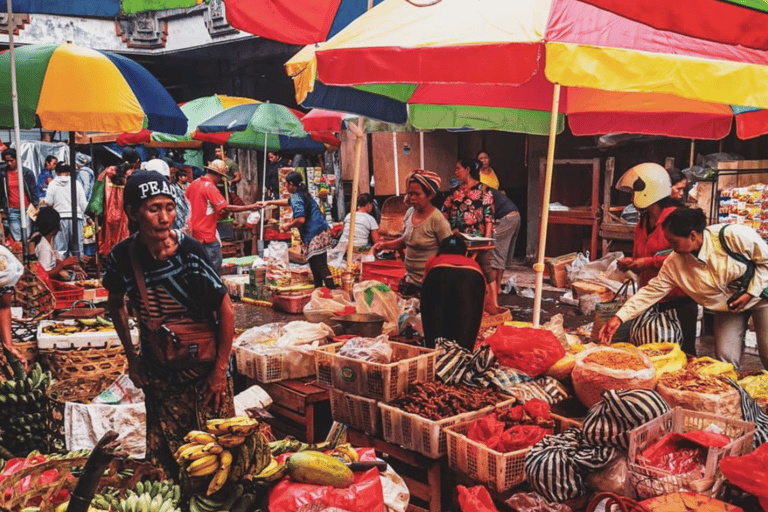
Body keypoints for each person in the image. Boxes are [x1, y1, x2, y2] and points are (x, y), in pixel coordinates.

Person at [103, 171, 235, 479]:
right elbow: (116, 305)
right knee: (166, 463)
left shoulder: (190, 252)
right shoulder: (122, 257)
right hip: (159, 372)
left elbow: (226, 310)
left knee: (217, 456)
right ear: (134, 212)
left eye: (169, 207)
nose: (165, 217)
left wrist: (219, 371)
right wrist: (132, 360)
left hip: (205, 372)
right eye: (154, 209)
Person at [599, 208, 768, 370]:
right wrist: (619, 318)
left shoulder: (732, 236)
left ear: (693, 236)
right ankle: (737, 397)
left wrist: (750, 293)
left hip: (761, 297)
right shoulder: (675, 262)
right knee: (725, 359)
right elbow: (650, 292)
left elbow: (766, 262)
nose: (672, 247)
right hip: (728, 307)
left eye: (674, 241)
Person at [615, 163, 697, 354]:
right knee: (651, 354)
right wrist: (632, 263)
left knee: (685, 355)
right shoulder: (642, 222)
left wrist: (647, 262)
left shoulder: (677, 219)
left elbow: (684, 254)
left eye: (634, 191)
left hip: (679, 299)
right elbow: (641, 256)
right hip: (651, 298)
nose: (631, 197)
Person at [372, 170, 451, 297]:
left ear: (429, 195)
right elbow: (405, 239)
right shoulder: (410, 213)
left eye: (417, 194)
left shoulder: (437, 220)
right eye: (410, 193)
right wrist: (384, 245)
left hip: (430, 285)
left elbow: (449, 250)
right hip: (410, 281)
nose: (412, 198)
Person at [257, 171, 335, 288]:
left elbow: (301, 219)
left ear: (291, 184)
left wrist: (287, 226)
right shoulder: (302, 194)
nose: (286, 187)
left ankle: (331, 289)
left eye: (286, 184)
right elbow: (287, 202)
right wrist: (269, 202)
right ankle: (319, 289)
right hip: (321, 231)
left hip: (314, 234)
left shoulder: (296, 197)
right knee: (315, 265)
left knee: (320, 265)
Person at [185, 160, 258, 271]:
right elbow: (226, 207)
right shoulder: (209, 187)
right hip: (206, 235)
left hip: (193, 233)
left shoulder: (194, 183)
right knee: (213, 269)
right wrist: (250, 207)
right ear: (218, 175)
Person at [443, 158, 498, 299]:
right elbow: (444, 213)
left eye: (458, 168)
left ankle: (494, 304)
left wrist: (485, 240)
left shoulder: (483, 190)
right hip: (457, 240)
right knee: (459, 269)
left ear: (467, 170)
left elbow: (488, 217)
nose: (455, 172)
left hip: (478, 238)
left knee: (486, 269)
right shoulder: (455, 192)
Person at [421, 235, 486, 350]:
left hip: (438, 278)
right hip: (471, 281)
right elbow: (484, 296)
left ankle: (434, 355)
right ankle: (463, 358)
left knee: (435, 334)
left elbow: (424, 284)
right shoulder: (473, 264)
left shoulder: (434, 260)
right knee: (465, 338)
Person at [99, 147, 141, 256]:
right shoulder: (135, 175)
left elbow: (97, 195)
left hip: (108, 215)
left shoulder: (107, 172)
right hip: (126, 218)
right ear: (136, 161)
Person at [42, 162, 88, 259]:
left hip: (60, 218)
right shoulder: (76, 183)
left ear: (57, 172)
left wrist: (44, 201)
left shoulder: (53, 184)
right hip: (76, 218)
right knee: (77, 248)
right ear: (69, 172)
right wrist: (87, 217)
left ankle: (62, 270)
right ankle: (78, 268)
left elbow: (49, 202)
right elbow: (83, 203)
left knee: (60, 249)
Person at [33, 207, 85, 281]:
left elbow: (52, 264)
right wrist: (63, 264)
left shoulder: (47, 243)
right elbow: (45, 274)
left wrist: (70, 266)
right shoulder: (44, 247)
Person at [1, 148, 39, 243]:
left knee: (27, 234)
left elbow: (33, 190)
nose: (9, 163)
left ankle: (27, 254)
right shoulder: (3, 174)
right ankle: (20, 254)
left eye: (11, 160)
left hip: (27, 208)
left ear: (17, 159)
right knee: (17, 236)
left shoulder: (27, 173)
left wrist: (36, 204)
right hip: (12, 208)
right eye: (7, 161)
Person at [489, 188, 520, 295]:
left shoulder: (481, 192)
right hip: (513, 216)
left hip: (507, 218)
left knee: (494, 252)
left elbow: (490, 213)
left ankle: (495, 289)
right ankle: (496, 287)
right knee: (501, 253)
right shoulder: (489, 191)